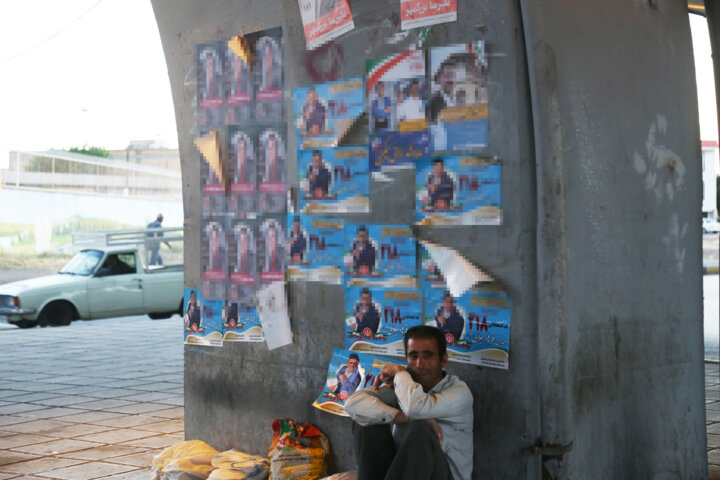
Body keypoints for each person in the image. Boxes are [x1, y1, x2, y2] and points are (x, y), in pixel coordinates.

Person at [344, 325, 473, 480]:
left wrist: (400, 373)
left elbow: (415, 407)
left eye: (428, 356)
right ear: (406, 360)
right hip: (405, 473)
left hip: (443, 475)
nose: (420, 364)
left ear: (443, 360)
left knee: (422, 429)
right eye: (413, 356)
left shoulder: (459, 392)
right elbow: (352, 404)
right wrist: (400, 417)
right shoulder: (404, 386)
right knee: (366, 418)